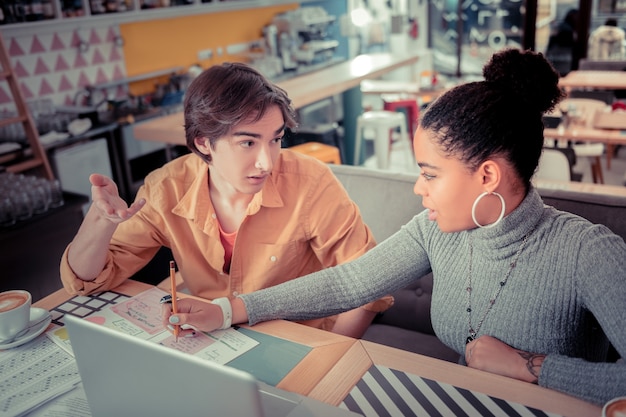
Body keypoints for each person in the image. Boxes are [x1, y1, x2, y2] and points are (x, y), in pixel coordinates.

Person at [163, 49, 626, 406]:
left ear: (486, 176)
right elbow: (350, 281)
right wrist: (228, 311)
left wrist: (533, 366)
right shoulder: (434, 230)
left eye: (429, 174)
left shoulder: (588, 251)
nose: (418, 190)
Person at [59, 62, 392, 338]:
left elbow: (369, 284)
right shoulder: (167, 188)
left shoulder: (311, 183)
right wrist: (100, 221)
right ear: (204, 143)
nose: (267, 161)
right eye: (248, 143)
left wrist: (329, 360)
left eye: (275, 140)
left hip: (298, 336)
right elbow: (88, 281)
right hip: (208, 337)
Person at [545, 8, 579, 76]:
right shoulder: (567, 29)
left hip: (555, 59)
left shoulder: (560, 26)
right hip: (563, 61)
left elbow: (551, 43)